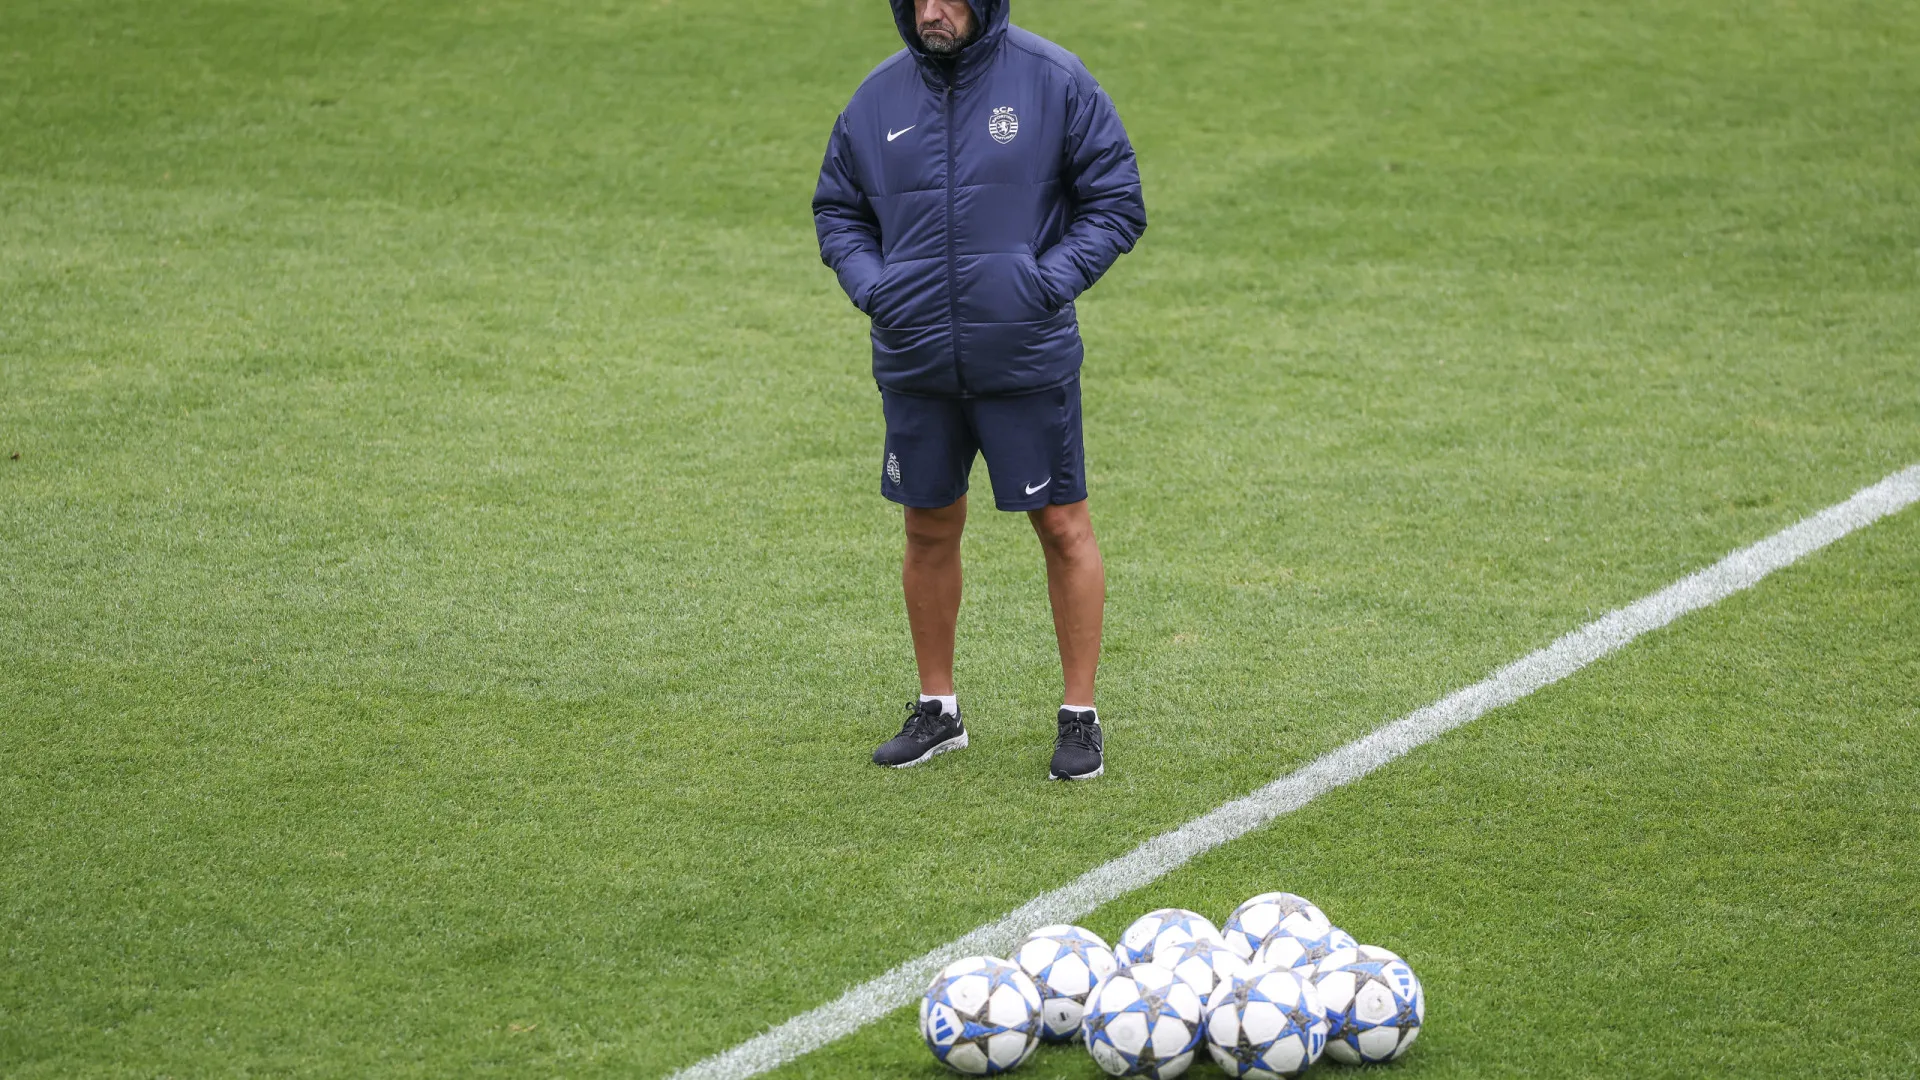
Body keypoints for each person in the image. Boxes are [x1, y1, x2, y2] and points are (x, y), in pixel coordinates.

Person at [814, 0, 1145, 780]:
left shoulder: (1053, 81)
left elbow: (1116, 201)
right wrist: (876, 287)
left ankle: (1079, 717)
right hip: (917, 359)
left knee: (1062, 526)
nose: (932, 11)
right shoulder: (875, 99)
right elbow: (838, 210)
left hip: (1023, 356)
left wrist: (1042, 283)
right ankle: (939, 712)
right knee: (927, 528)